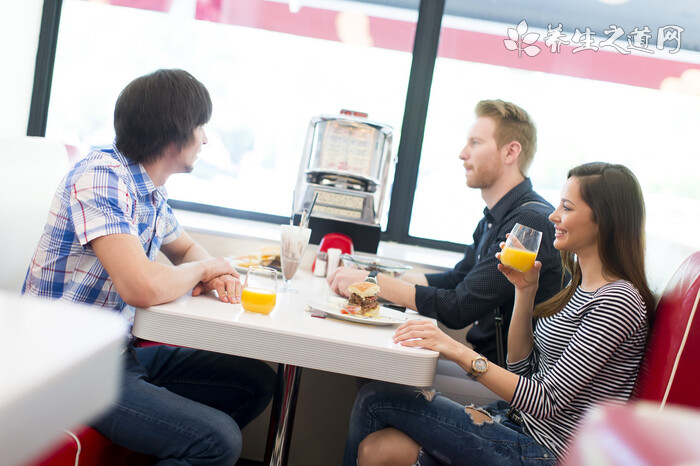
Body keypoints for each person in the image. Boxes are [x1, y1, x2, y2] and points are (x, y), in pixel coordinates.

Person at [23, 69, 275, 464]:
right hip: (64, 367)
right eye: (201, 127)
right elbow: (140, 286)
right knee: (219, 441)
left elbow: (186, 247)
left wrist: (217, 274)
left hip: (114, 354)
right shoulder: (101, 176)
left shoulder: (148, 190)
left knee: (255, 381)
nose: (206, 139)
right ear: (175, 134)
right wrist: (204, 269)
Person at [343, 162, 657, 465]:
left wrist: (454, 348)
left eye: (567, 208)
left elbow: (545, 400)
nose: (553, 215)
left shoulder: (618, 300)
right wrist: (524, 291)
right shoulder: (579, 286)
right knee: (376, 450)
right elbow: (523, 368)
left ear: (605, 219)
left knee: (375, 398)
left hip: (548, 451)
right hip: (517, 424)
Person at [328, 100, 564, 363]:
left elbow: (459, 307)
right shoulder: (496, 217)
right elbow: (456, 279)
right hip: (485, 364)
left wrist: (372, 282)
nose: (463, 153)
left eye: (475, 143)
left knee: (376, 378)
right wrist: (381, 274)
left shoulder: (528, 222)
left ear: (510, 152)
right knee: (376, 363)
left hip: (508, 380)